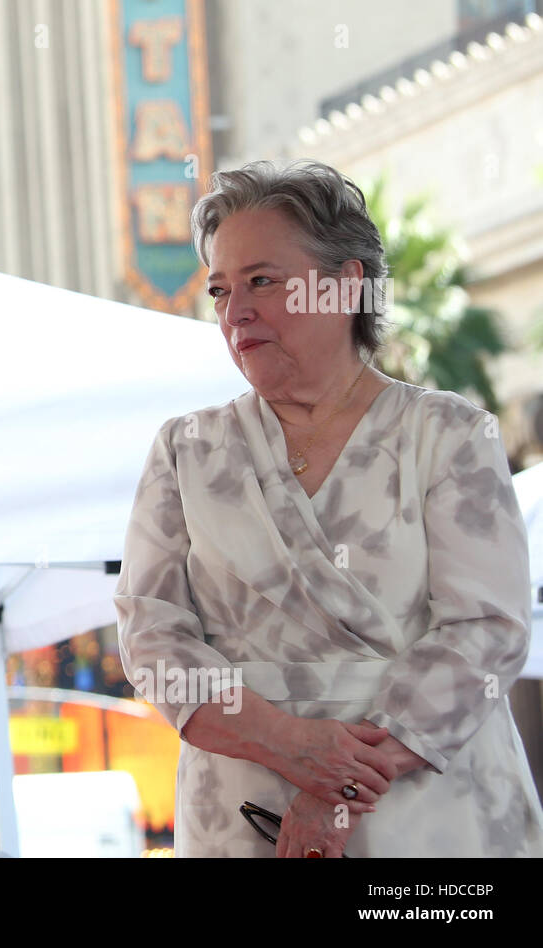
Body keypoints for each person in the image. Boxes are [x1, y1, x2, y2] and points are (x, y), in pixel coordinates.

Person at [114, 159, 543, 857]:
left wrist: (334, 789)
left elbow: (487, 632)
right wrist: (293, 746)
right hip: (243, 809)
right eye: (221, 291)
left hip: (432, 814)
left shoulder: (450, 434)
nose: (235, 312)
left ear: (344, 286)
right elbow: (151, 638)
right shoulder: (186, 451)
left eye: (262, 281)